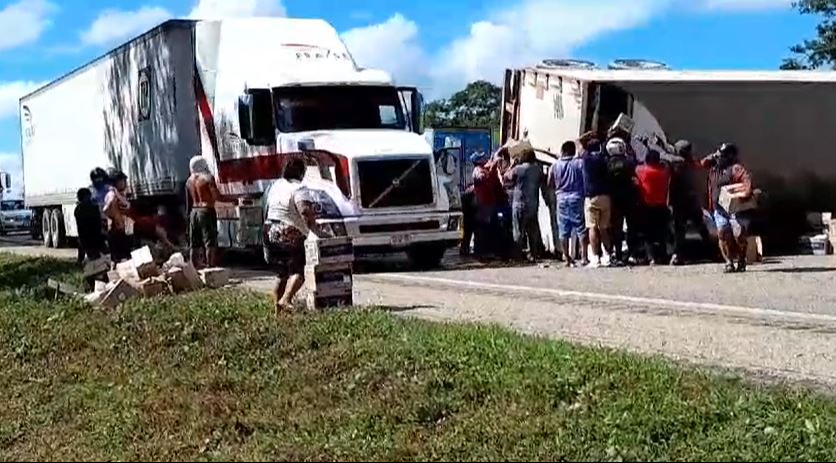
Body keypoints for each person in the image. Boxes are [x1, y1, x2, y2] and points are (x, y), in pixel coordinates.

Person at [264, 156, 322, 314]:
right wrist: (314, 230)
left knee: (281, 274)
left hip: (270, 231)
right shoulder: (299, 188)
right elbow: (304, 210)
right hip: (288, 233)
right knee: (301, 269)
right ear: (301, 172)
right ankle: (286, 299)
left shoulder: (276, 185)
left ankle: (278, 313)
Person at [701, 143, 753, 273]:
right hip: (719, 209)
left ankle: (741, 259)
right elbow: (702, 163)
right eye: (718, 155)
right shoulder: (714, 167)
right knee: (723, 234)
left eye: (722, 156)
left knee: (738, 235)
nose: (719, 158)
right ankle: (729, 262)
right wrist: (714, 155)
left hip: (734, 209)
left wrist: (743, 193)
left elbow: (747, 182)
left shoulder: (736, 169)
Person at [668, 140, 712, 265]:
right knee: (701, 228)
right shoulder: (691, 163)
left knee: (679, 230)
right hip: (692, 200)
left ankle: (677, 255)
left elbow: (671, 184)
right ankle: (714, 252)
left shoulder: (675, 164)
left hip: (679, 202)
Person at [549, 140, 588, 267]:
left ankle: (566, 257)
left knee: (563, 229)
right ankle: (584, 257)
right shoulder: (579, 163)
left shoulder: (555, 165)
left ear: (562, 151)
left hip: (561, 198)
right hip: (577, 197)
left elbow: (550, 182)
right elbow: (585, 179)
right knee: (581, 227)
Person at [504, 147, 545, 261]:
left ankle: (517, 255)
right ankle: (534, 253)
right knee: (532, 231)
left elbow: (506, 176)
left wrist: (513, 164)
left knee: (518, 230)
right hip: (533, 204)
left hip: (519, 204)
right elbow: (543, 180)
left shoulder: (518, 169)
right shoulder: (537, 170)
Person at [581, 138, 614, 268]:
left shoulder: (587, 159)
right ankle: (608, 256)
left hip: (591, 197)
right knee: (604, 228)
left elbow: (578, 142)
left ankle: (595, 258)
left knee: (592, 227)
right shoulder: (604, 160)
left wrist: (588, 134)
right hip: (605, 196)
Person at [606, 137, 639, 265]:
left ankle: (618, 254)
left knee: (616, 229)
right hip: (629, 198)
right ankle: (633, 254)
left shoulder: (607, 163)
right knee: (631, 228)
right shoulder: (629, 162)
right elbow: (635, 162)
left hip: (614, 200)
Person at [636, 150, 672, 265]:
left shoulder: (641, 170)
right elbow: (667, 166)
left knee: (648, 235)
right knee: (661, 234)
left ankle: (651, 257)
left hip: (646, 207)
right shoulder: (664, 172)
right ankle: (662, 256)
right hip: (661, 206)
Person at [186, 156, 221, 269]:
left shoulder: (189, 181)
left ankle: (194, 269)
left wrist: (188, 216)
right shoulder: (207, 178)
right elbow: (216, 197)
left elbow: (188, 202)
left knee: (194, 243)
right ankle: (211, 268)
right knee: (210, 242)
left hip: (193, 212)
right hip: (206, 211)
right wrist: (233, 200)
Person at [471, 151, 503, 259]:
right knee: (483, 228)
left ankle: (487, 251)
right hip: (482, 204)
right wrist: (492, 168)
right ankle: (480, 252)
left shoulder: (483, 169)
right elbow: (484, 178)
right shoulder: (478, 170)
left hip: (488, 203)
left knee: (489, 227)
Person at [103, 169, 133, 263]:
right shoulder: (112, 195)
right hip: (116, 230)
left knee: (125, 255)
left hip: (124, 228)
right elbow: (105, 209)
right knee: (118, 257)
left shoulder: (119, 194)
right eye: (122, 181)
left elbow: (127, 206)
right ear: (116, 182)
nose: (125, 183)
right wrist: (114, 217)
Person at [74, 188, 106, 265]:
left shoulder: (77, 209)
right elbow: (98, 221)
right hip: (95, 237)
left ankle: (80, 262)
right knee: (100, 256)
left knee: (84, 250)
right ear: (87, 197)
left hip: (84, 238)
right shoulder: (93, 208)